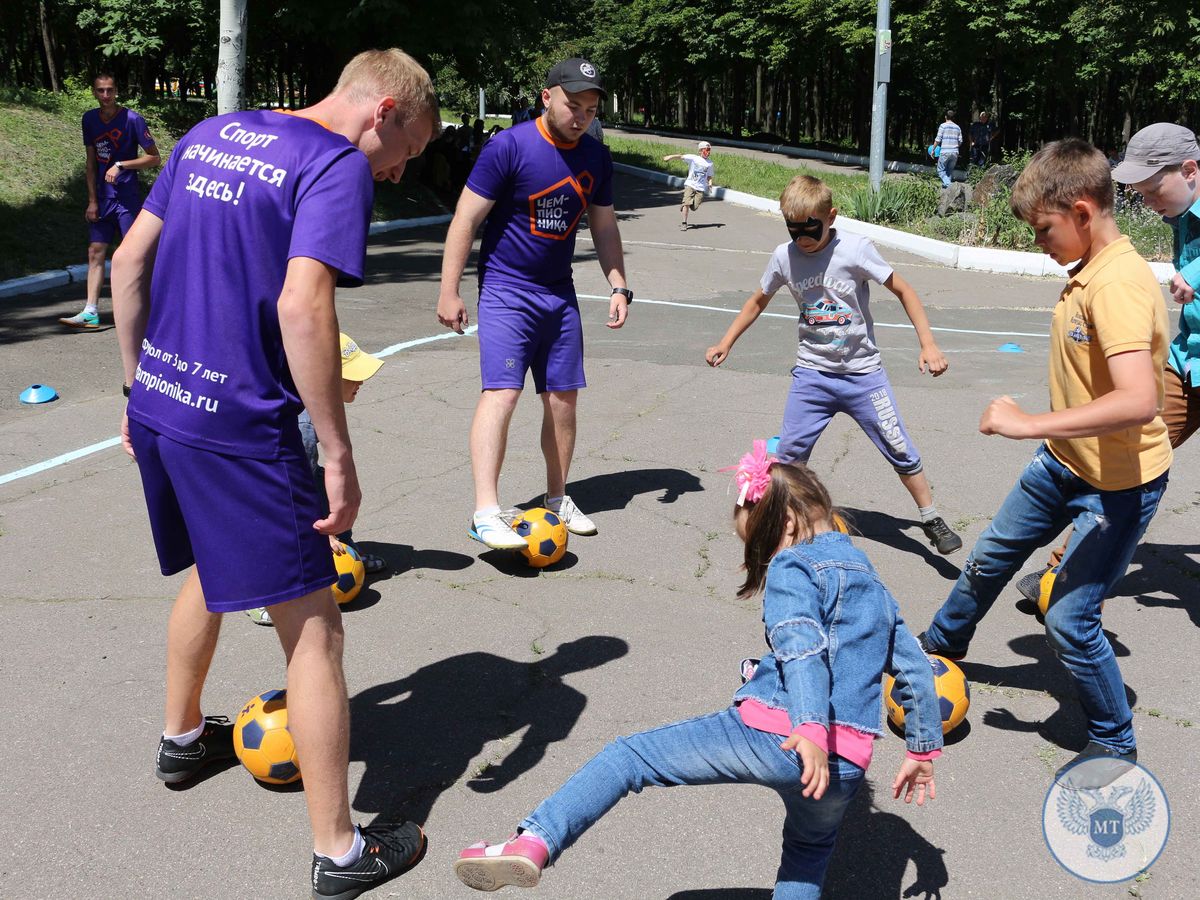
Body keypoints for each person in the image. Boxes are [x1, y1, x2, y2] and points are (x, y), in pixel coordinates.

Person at [110, 49, 439, 897]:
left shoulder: (212, 133)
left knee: (210, 573)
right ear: (385, 113)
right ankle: (339, 851)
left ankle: (183, 741)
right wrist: (336, 449)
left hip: (164, 403)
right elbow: (303, 305)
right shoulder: (333, 163)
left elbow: (125, 267)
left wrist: (134, 384)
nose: (400, 173)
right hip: (243, 428)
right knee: (317, 629)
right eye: (407, 153)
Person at [452, 443, 944, 897]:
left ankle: (535, 841)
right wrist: (922, 749)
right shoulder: (872, 582)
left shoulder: (794, 567)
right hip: (847, 762)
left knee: (629, 758)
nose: (766, 555)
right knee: (808, 852)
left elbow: (802, 649)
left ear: (788, 525)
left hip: (782, 733)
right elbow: (915, 669)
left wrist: (810, 725)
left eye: (764, 541)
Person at [918, 139, 1171, 788]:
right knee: (990, 559)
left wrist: (1027, 421)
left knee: (1069, 618)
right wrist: (1045, 436)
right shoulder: (1090, 269)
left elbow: (1140, 401)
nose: (1038, 243)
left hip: (1119, 487)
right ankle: (937, 650)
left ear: (1082, 211)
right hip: (1060, 465)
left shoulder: (1117, 285)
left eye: (1043, 230)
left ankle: (1115, 741)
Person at [705, 174, 964, 556]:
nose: (801, 236)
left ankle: (931, 517)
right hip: (812, 375)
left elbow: (904, 290)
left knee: (899, 446)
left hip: (863, 375)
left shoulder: (855, 250)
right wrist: (726, 341)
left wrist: (928, 344)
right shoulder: (784, 256)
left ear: (831, 216)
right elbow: (757, 301)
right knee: (791, 456)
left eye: (810, 226)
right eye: (792, 227)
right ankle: (786, 521)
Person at [436, 57, 632, 550]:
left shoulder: (596, 157)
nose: (581, 116)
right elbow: (465, 220)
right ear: (547, 97)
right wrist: (449, 288)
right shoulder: (509, 146)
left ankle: (558, 496)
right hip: (506, 290)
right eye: (573, 105)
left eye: (590, 108)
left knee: (563, 398)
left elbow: (604, 226)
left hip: (558, 293)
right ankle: (485, 510)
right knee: (502, 393)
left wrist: (618, 284)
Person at [1013, 124, 1200, 604]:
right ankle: (1062, 577)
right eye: (1138, 193)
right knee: (1117, 454)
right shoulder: (1182, 216)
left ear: (1191, 171)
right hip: (1188, 365)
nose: (1148, 202)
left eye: (1153, 189)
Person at [247, 332, 388, 626]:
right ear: (323, 375)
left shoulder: (319, 409)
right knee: (271, 518)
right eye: (352, 375)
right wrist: (320, 536)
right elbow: (288, 492)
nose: (361, 382)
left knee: (327, 483)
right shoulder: (300, 428)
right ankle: (260, 592)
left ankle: (346, 553)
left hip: (290, 481)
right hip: (262, 493)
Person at [59, 73, 160, 329]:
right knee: (95, 251)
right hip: (103, 200)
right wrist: (92, 200)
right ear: (94, 92)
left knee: (134, 256)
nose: (106, 95)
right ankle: (91, 311)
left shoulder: (133, 119)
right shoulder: (89, 119)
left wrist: (121, 164)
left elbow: (154, 158)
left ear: (117, 91)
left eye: (110, 90)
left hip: (127, 200)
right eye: (101, 91)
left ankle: (148, 310)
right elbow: (91, 162)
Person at [663, 141, 714, 230]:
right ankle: (684, 222)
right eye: (706, 150)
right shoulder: (694, 158)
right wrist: (670, 157)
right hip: (690, 184)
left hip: (700, 188)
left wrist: (710, 184)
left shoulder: (710, 163)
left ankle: (685, 205)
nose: (708, 152)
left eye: (709, 150)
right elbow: (681, 156)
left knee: (694, 207)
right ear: (700, 151)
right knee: (687, 203)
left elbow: (709, 176)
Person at [932, 109, 961, 188]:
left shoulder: (943, 126)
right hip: (955, 152)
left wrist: (933, 149)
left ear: (945, 117)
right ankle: (947, 192)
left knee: (940, 170)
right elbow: (960, 141)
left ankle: (950, 186)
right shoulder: (957, 127)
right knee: (949, 172)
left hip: (945, 151)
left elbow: (938, 139)